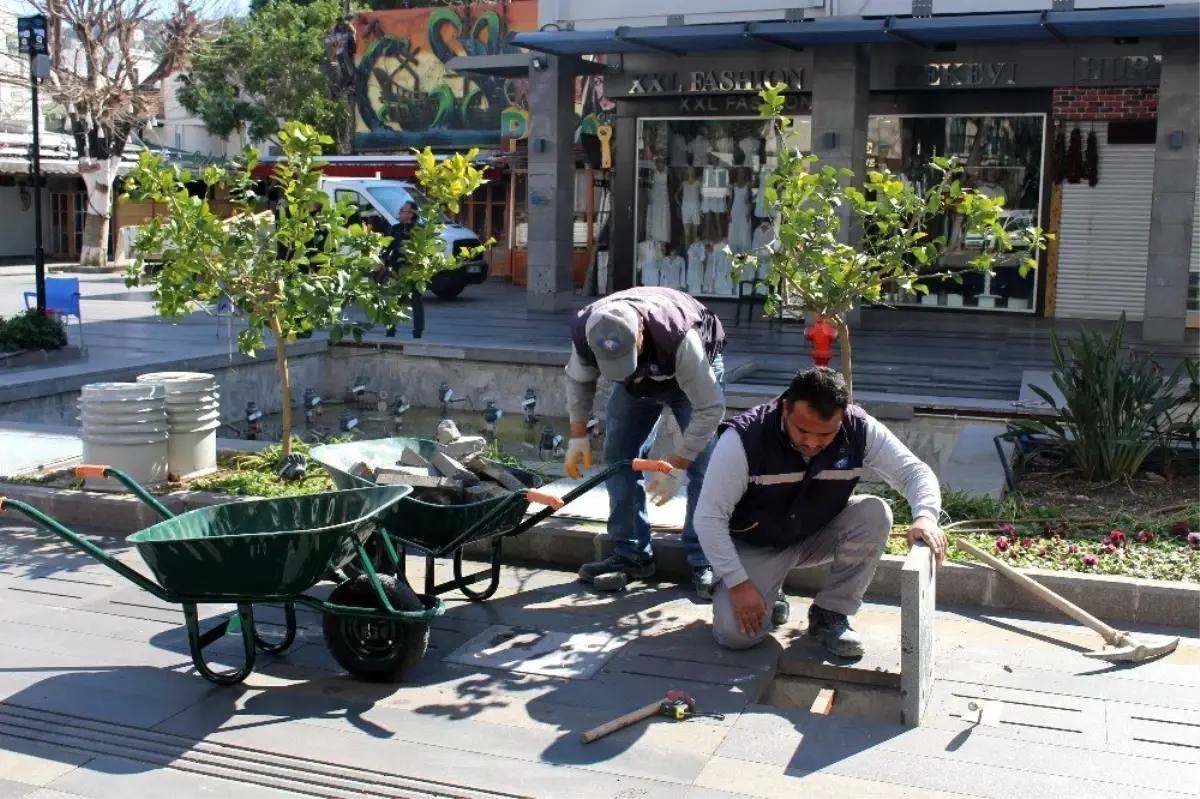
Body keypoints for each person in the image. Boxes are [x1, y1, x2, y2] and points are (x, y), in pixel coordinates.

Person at [694, 366, 947, 657]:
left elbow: (914, 473)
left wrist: (926, 516)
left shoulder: (859, 428)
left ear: (843, 415)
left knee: (875, 513)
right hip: (757, 544)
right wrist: (739, 584)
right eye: (802, 430)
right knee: (735, 637)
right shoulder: (744, 440)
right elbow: (708, 519)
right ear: (785, 408)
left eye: (826, 434)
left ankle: (831, 613)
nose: (813, 442)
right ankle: (754, 585)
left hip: (814, 533)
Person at [564, 286, 727, 598]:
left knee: (705, 465)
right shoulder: (587, 330)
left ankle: (705, 560)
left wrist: (678, 464)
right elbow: (579, 380)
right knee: (619, 458)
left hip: (687, 375)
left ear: (639, 331)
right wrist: (578, 433)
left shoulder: (679, 338)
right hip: (635, 387)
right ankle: (631, 554)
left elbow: (710, 408)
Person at [379, 201, 424, 339]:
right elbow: (387, 248)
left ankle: (417, 333)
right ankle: (390, 330)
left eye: (402, 211)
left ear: (411, 214)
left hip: (413, 271)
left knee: (416, 301)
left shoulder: (419, 230)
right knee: (393, 301)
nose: (399, 213)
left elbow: (424, 252)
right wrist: (382, 261)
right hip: (397, 271)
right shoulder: (395, 228)